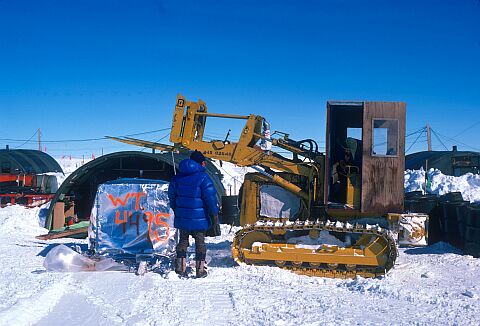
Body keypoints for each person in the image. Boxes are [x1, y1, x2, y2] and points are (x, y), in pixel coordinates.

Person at [168, 150, 219, 278]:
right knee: (200, 243)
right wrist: (214, 214)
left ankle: (180, 268)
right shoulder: (203, 178)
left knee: (183, 241)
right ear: (200, 163)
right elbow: (211, 199)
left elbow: (172, 197)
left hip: (182, 218)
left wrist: (177, 210)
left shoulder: (177, 177)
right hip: (199, 219)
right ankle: (200, 271)